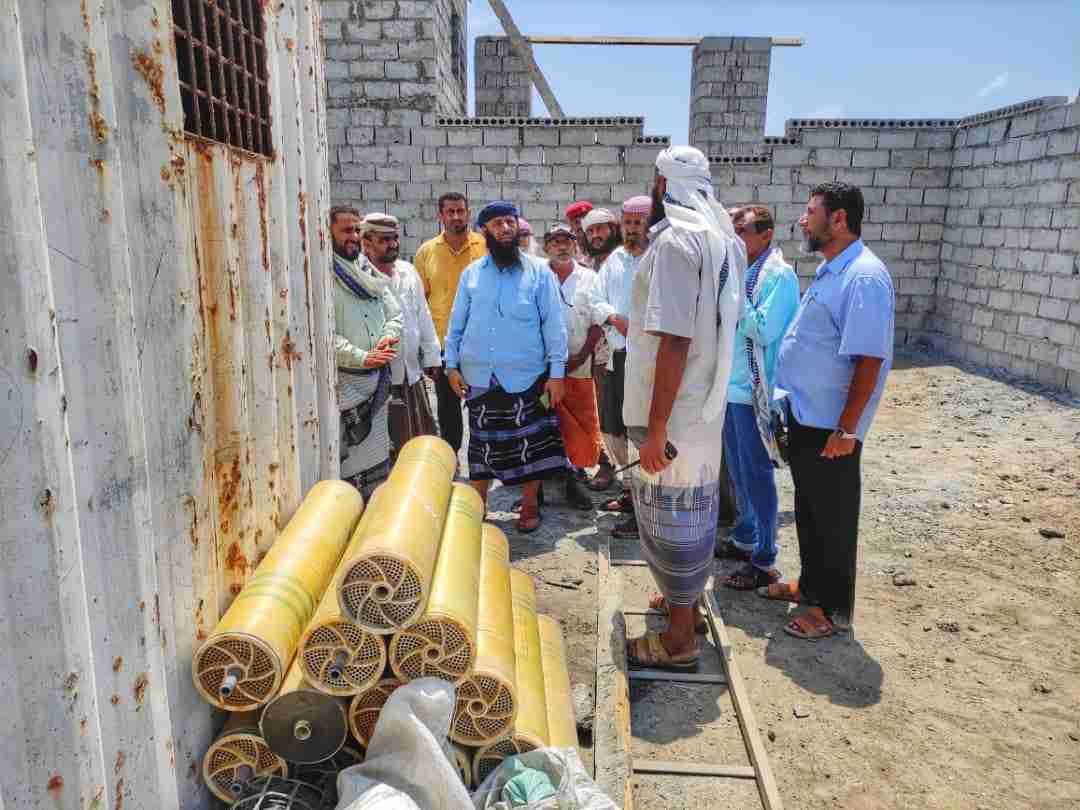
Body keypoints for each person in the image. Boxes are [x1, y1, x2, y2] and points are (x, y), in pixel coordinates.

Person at [623, 146, 745, 671]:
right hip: (703, 406)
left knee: (672, 516)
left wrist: (656, 429)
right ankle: (685, 608)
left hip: (674, 411)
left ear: (662, 185)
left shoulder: (677, 241)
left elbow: (674, 339)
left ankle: (678, 642)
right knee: (694, 510)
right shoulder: (724, 239)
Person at [762, 182, 895, 640]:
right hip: (807, 415)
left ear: (838, 218)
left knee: (834, 517)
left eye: (811, 211)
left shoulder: (864, 277)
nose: (803, 220)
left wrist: (847, 429)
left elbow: (869, 360)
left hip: (832, 426)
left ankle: (832, 610)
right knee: (810, 509)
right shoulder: (832, 270)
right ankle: (811, 586)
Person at [443, 202, 570, 534]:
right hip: (480, 376)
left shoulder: (539, 272)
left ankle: (529, 505)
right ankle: (478, 505)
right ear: (484, 230)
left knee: (531, 447)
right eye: (497, 223)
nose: (505, 229)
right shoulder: (471, 274)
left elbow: (554, 326)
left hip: (527, 376)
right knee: (482, 446)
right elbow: (456, 324)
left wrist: (557, 374)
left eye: (510, 222)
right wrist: (451, 366)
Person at [715, 206, 800, 591]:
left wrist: (734, 297)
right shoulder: (741, 272)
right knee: (738, 473)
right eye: (732, 231)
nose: (736, 239)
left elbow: (764, 330)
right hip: (731, 390)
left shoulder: (779, 276)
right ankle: (745, 538)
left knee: (757, 476)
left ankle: (765, 559)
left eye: (742, 231)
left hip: (755, 393)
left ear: (766, 235)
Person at [330, 205, 404, 500]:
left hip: (376, 382)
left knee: (377, 461)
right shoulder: (323, 276)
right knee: (348, 467)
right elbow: (322, 336)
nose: (353, 237)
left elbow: (394, 314)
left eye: (356, 230)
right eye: (346, 230)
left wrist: (387, 339)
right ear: (328, 232)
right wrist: (361, 358)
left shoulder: (366, 269)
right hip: (345, 386)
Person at [590, 195, 651, 538]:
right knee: (614, 426)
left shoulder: (659, 258)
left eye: (637, 223)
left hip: (647, 357)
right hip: (616, 353)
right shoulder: (614, 259)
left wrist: (636, 326)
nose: (632, 229)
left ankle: (645, 507)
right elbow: (595, 299)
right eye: (627, 223)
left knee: (640, 429)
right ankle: (629, 492)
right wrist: (614, 318)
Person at [360, 213, 441, 455]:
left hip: (410, 374)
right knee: (383, 446)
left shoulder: (407, 271)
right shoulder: (359, 275)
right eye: (384, 240)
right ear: (366, 242)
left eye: (394, 238)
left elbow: (422, 314)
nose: (393, 244)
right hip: (377, 379)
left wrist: (432, 356)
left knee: (418, 440)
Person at [415, 192, 488, 456]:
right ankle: (451, 459)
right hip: (444, 345)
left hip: (482, 344)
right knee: (447, 408)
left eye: (460, 211)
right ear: (441, 215)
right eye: (450, 212)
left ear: (468, 213)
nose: (456, 216)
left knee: (483, 405)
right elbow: (420, 303)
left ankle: (485, 459)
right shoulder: (426, 252)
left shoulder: (485, 246)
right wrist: (426, 350)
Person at [543, 224, 603, 511]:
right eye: (555, 242)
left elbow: (598, 321)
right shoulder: (538, 277)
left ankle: (575, 479)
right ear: (547, 247)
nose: (562, 246)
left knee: (581, 426)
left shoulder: (590, 278)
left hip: (579, 367)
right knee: (546, 424)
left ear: (575, 244)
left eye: (566, 241)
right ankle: (540, 486)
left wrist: (581, 356)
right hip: (543, 369)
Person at [579, 207, 622, 491]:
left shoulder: (624, 261)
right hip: (595, 354)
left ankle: (625, 474)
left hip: (620, 349)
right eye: (591, 231)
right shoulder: (588, 266)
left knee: (619, 414)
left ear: (613, 230)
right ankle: (607, 465)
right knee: (601, 412)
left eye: (601, 229)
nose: (596, 235)